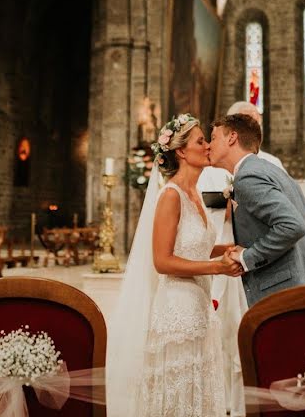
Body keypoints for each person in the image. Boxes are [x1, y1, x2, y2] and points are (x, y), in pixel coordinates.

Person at [106, 114, 242, 417]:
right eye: (201, 141)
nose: (208, 146)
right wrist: (217, 267)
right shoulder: (171, 195)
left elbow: (196, 248)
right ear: (181, 151)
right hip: (177, 314)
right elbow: (163, 260)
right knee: (177, 398)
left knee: (198, 397)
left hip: (200, 308)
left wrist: (229, 249)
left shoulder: (196, 194)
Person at [197, 100, 285, 417]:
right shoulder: (210, 169)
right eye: (249, 119)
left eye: (258, 119)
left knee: (250, 327)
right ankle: (223, 397)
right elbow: (198, 217)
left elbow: (285, 218)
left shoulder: (272, 163)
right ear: (235, 128)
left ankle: (250, 397)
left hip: (257, 259)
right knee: (222, 329)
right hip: (222, 255)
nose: (255, 123)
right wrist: (226, 205)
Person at [209, 113, 305, 307]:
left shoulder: (248, 178)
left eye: (213, 138)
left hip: (284, 294)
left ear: (232, 137)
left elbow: (293, 226)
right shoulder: (273, 170)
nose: (208, 145)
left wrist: (246, 256)